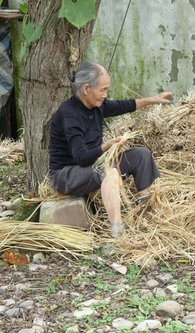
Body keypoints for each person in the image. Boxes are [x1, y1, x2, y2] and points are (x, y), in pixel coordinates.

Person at [49, 61, 173, 238]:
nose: (105, 95)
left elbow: (125, 105)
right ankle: (117, 230)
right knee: (110, 171)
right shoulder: (69, 115)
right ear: (86, 89)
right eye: (103, 89)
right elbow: (81, 158)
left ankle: (148, 212)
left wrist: (153, 100)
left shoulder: (97, 105)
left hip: (93, 165)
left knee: (141, 155)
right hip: (66, 174)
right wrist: (107, 147)